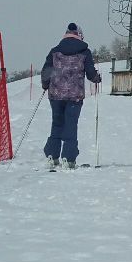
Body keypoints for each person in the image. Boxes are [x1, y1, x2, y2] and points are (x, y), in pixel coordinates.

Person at [41, 22, 102, 169]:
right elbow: (90, 73)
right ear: (80, 36)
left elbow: (46, 71)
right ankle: (68, 159)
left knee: (57, 123)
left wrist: (45, 84)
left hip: (55, 95)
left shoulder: (54, 51)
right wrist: (96, 78)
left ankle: (52, 156)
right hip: (75, 96)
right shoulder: (85, 52)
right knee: (71, 124)